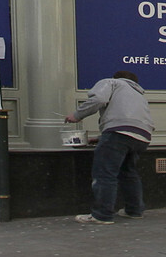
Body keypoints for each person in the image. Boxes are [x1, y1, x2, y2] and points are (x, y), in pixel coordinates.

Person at [66, 69, 153, 224]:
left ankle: (102, 215)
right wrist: (101, 138)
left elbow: (99, 99)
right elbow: (130, 121)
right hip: (142, 137)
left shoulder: (111, 82)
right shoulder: (139, 95)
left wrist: (76, 115)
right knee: (129, 173)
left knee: (104, 173)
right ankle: (134, 210)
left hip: (118, 133)